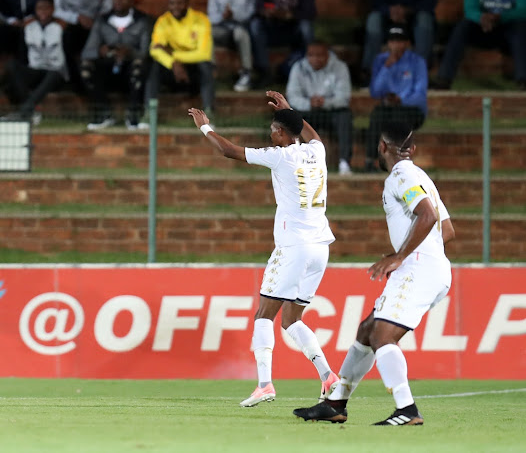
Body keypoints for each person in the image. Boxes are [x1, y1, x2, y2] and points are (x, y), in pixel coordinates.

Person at [293, 121, 455, 425]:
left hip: (418, 267)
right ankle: (336, 402)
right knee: (368, 330)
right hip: (432, 267)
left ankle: (407, 409)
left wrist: (402, 255)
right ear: (413, 149)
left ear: (381, 147)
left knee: (382, 335)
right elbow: (447, 229)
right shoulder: (421, 177)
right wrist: (411, 253)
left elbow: (428, 215)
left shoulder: (401, 175)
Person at [187, 91, 339, 408]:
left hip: (293, 247)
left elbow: (228, 151)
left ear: (282, 133)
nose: (270, 133)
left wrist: (205, 127)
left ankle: (265, 384)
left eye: (273, 128)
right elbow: (313, 135)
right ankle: (328, 376)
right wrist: (291, 111)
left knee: (263, 315)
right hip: (320, 248)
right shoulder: (317, 153)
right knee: (291, 320)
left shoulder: (280, 156)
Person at [81, 0, 151, 130]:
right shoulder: (102, 20)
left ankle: (133, 115)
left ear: (131, 1)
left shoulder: (143, 20)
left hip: (130, 68)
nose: (118, 2)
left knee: (140, 65)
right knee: (86, 67)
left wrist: (130, 52)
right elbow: (87, 52)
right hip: (108, 68)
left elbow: (146, 52)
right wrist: (100, 51)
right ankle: (105, 114)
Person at [432, 0, 526, 90]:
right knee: (463, 27)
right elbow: (469, 9)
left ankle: (523, 80)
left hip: (508, 30)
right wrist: (482, 18)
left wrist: (500, 17)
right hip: (483, 27)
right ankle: (444, 78)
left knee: (520, 26)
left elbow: (522, 10)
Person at [286, 40, 353, 174]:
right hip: (308, 111)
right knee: (291, 118)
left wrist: (325, 102)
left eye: (319, 55)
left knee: (345, 116)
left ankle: (344, 163)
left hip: (332, 111)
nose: (315, 59)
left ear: (327, 55)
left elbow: (344, 97)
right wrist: (309, 103)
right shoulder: (298, 68)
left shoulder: (339, 67)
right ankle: (294, 164)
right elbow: (292, 96)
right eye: (311, 55)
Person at [365, 25, 426, 172]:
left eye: (400, 41)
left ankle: (401, 163)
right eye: (392, 41)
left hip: (412, 109)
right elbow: (375, 92)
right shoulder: (381, 60)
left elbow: (419, 93)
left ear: (407, 43)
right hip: (388, 108)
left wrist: (401, 99)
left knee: (399, 118)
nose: (396, 45)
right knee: (377, 115)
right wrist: (386, 68)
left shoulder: (417, 62)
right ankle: (371, 160)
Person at [147, 0, 215, 116]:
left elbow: (203, 54)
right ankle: (149, 114)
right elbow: (154, 50)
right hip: (173, 71)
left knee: (205, 66)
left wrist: (173, 54)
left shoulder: (201, 20)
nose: (175, 7)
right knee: (154, 66)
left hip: (193, 72)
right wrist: (173, 63)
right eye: (172, 3)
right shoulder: (163, 21)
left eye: (179, 3)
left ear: (187, 3)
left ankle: (209, 111)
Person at [0, 0, 66, 124]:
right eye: (39, 8)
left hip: (55, 74)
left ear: (52, 9)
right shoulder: (29, 28)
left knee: (53, 74)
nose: (43, 11)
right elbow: (23, 53)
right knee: (12, 65)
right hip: (35, 71)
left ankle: (24, 111)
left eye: (46, 8)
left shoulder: (61, 27)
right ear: (35, 10)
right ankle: (31, 110)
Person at [360, 0, 438, 83]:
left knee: (424, 19)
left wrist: (406, 11)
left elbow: (429, 3)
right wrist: (391, 11)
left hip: (414, 18)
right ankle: (369, 72)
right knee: (374, 19)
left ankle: (420, 72)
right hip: (388, 18)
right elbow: (377, 2)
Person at [0, 0, 51, 90]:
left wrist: (33, 18)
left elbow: (47, 3)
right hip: (12, 24)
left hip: (36, 24)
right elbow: (0, 8)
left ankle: (23, 78)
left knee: (25, 35)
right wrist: (11, 20)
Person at [249, 0, 316, 85]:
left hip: (293, 31)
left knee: (306, 26)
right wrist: (267, 12)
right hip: (271, 30)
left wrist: (289, 15)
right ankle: (264, 71)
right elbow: (258, 7)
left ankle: (311, 69)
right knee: (255, 25)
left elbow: (310, 12)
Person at [52, 0, 113, 92]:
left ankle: (103, 85)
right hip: (69, 24)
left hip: (97, 23)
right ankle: (73, 82)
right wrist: (77, 18)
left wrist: (98, 19)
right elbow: (55, 9)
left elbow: (109, 5)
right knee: (66, 36)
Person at [207, 0, 256, 92]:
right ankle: (210, 72)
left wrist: (235, 15)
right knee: (207, 33)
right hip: (221, 27)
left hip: (239, 27)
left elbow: (251, 12)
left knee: (242, 34)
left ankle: (246, 73)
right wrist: (223, 16)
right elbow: (211, 15)